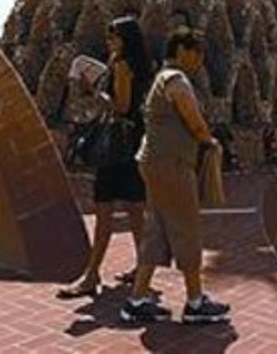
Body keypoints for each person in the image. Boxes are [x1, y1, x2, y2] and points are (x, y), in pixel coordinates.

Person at [122, 26, 230, 324]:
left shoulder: (161, 78)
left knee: (157, 230)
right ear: (181, 50)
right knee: (186, 226)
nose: (200, 59)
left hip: (155, 162)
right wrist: (210, 141)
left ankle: (137, 298)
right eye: (197, 53)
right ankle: (195, 302)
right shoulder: (176, 80)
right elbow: (195, 125)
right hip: (172, 164)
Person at [57, 17, 152, 298]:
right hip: (133, 141)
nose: (109, 43)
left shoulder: (122, 65)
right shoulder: (139, 66)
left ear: (125, 40)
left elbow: (121, 106)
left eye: (113, 38)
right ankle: (142, 268)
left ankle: (91, 274)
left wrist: (97, 93)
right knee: (135, 210)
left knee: (104, 210)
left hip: (117, 146)